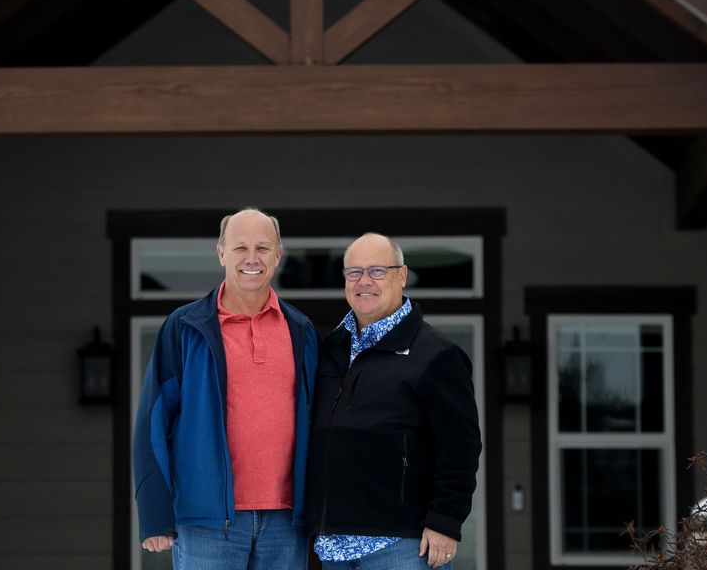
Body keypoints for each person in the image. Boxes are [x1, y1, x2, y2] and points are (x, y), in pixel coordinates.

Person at [133, 207, 318, 569]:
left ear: (278, 256)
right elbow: (152, 422)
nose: (252, 258)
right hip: (207, 522)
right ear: (221, 254)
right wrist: (155, 513)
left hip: (285, 519)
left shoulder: (302, 331)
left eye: (263, 248)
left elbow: (320, 421)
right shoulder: (185, 328)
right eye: (240, 248)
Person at [307, 233, 482, 569]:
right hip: (333, 546)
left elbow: (461, 446)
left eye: (377, 271)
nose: (364, 282)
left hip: (401, 544)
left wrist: (445, 521)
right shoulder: (330, 351)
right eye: (354, 273)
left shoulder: (435, 355)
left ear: (401, 276)